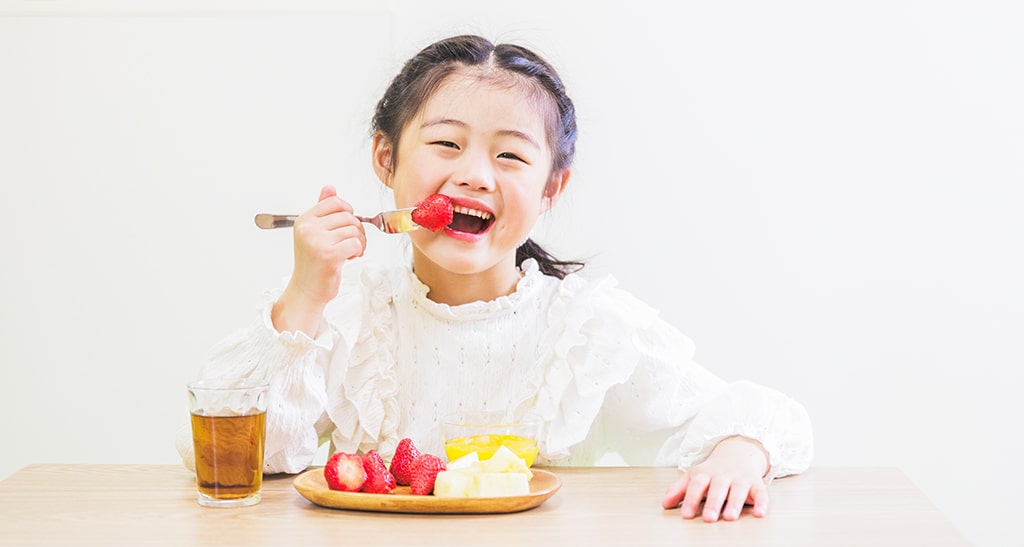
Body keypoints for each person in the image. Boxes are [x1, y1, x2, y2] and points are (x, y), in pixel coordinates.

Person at [176, 34, 813, 522]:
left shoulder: (584, 331)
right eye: (446, 145)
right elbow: (231, 456)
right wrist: (305, 294)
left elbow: (758, 416)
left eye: (510, 155)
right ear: (386, 159)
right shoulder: (351, 319)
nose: (476, 175)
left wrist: (738, 454)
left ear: (551, 188)